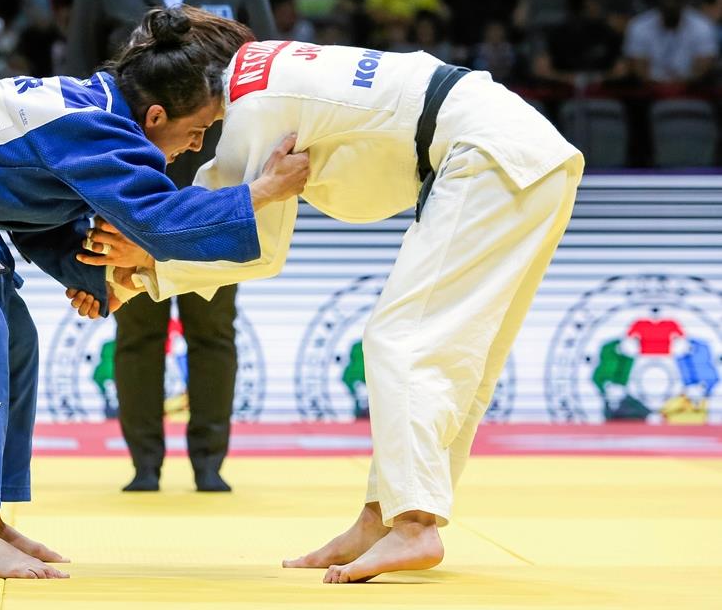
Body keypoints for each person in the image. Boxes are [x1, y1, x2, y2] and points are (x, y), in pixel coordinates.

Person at [0, 5, 310, 579]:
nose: (195, 147)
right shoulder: (95, 126)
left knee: (14, 336)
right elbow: (160, 222)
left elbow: (31, 212)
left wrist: (88, 277)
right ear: (157, 113)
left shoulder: (94, 109)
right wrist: (260, 192)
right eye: (196, 132)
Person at [79, 35, 583, 583]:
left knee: (403, 341)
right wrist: (140, 271)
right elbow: (225, 210)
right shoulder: (263, 70)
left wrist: (139, 269)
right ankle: (383, 519)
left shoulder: (252, 106)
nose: (180, 151)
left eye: (171, 135)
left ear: (160, 108)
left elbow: (255, 247)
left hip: (486, 156)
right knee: (460, 357)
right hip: (526, 152)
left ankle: (413, 524)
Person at [64, 0, 278, 494]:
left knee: (214, 323)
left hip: (219, 174)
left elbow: (269, 79)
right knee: (135, 320)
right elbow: (80, 79)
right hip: (128, 177)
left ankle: (210, 463)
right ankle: (144, 465)